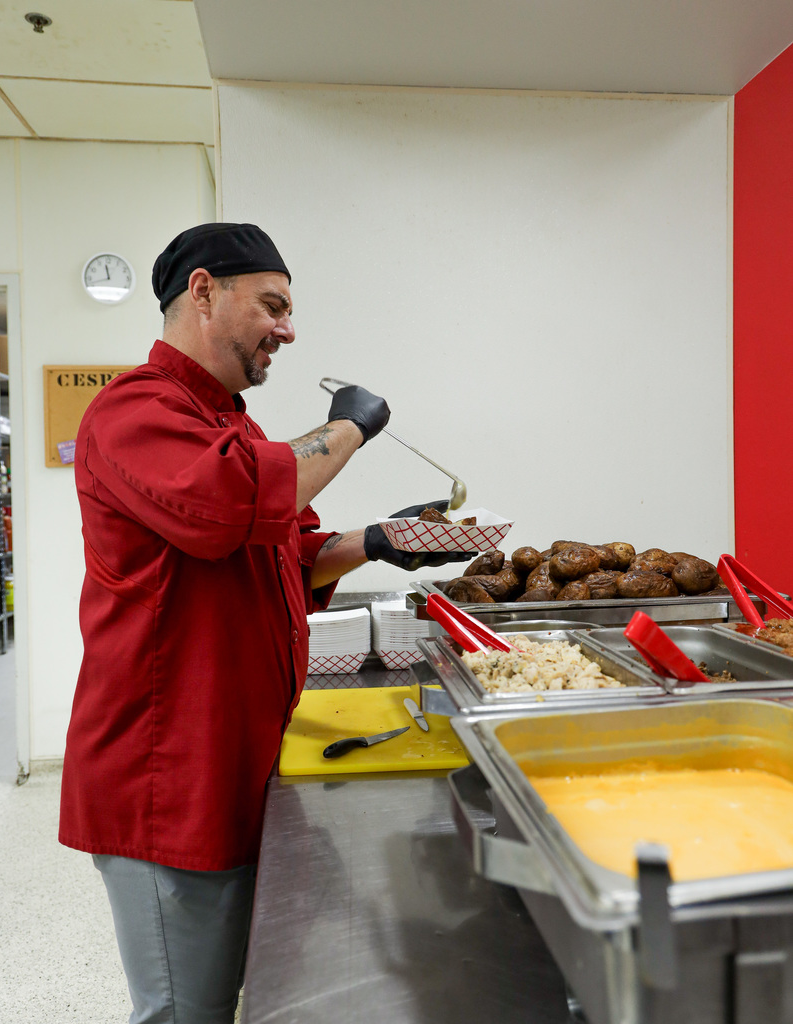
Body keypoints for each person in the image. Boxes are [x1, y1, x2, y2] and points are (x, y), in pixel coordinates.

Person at [58, 222, 472, 1024]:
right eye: (273, 306)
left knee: (233, 994)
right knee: (186, 1010)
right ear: (205, 291)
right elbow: (228, 505)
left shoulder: (233, 426)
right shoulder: (132, 411)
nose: (287, 328)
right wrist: (349, 424)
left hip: (241, 762)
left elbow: (284, 553)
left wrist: (380, 542)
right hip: (170, 776)